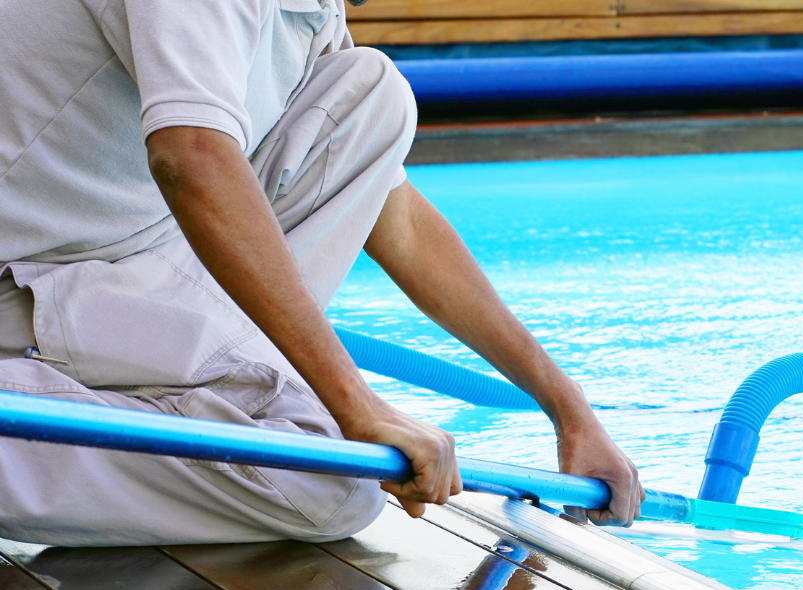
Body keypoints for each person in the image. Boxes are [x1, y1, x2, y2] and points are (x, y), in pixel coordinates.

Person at [0, 0, 644, 546]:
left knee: (370, 93)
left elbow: (399, 220)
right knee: (331, 483)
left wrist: (568, 409)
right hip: (28, 286)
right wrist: (356, 407)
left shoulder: (314, 10)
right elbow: (191, 158)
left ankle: (166, 389)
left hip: (109, 265)